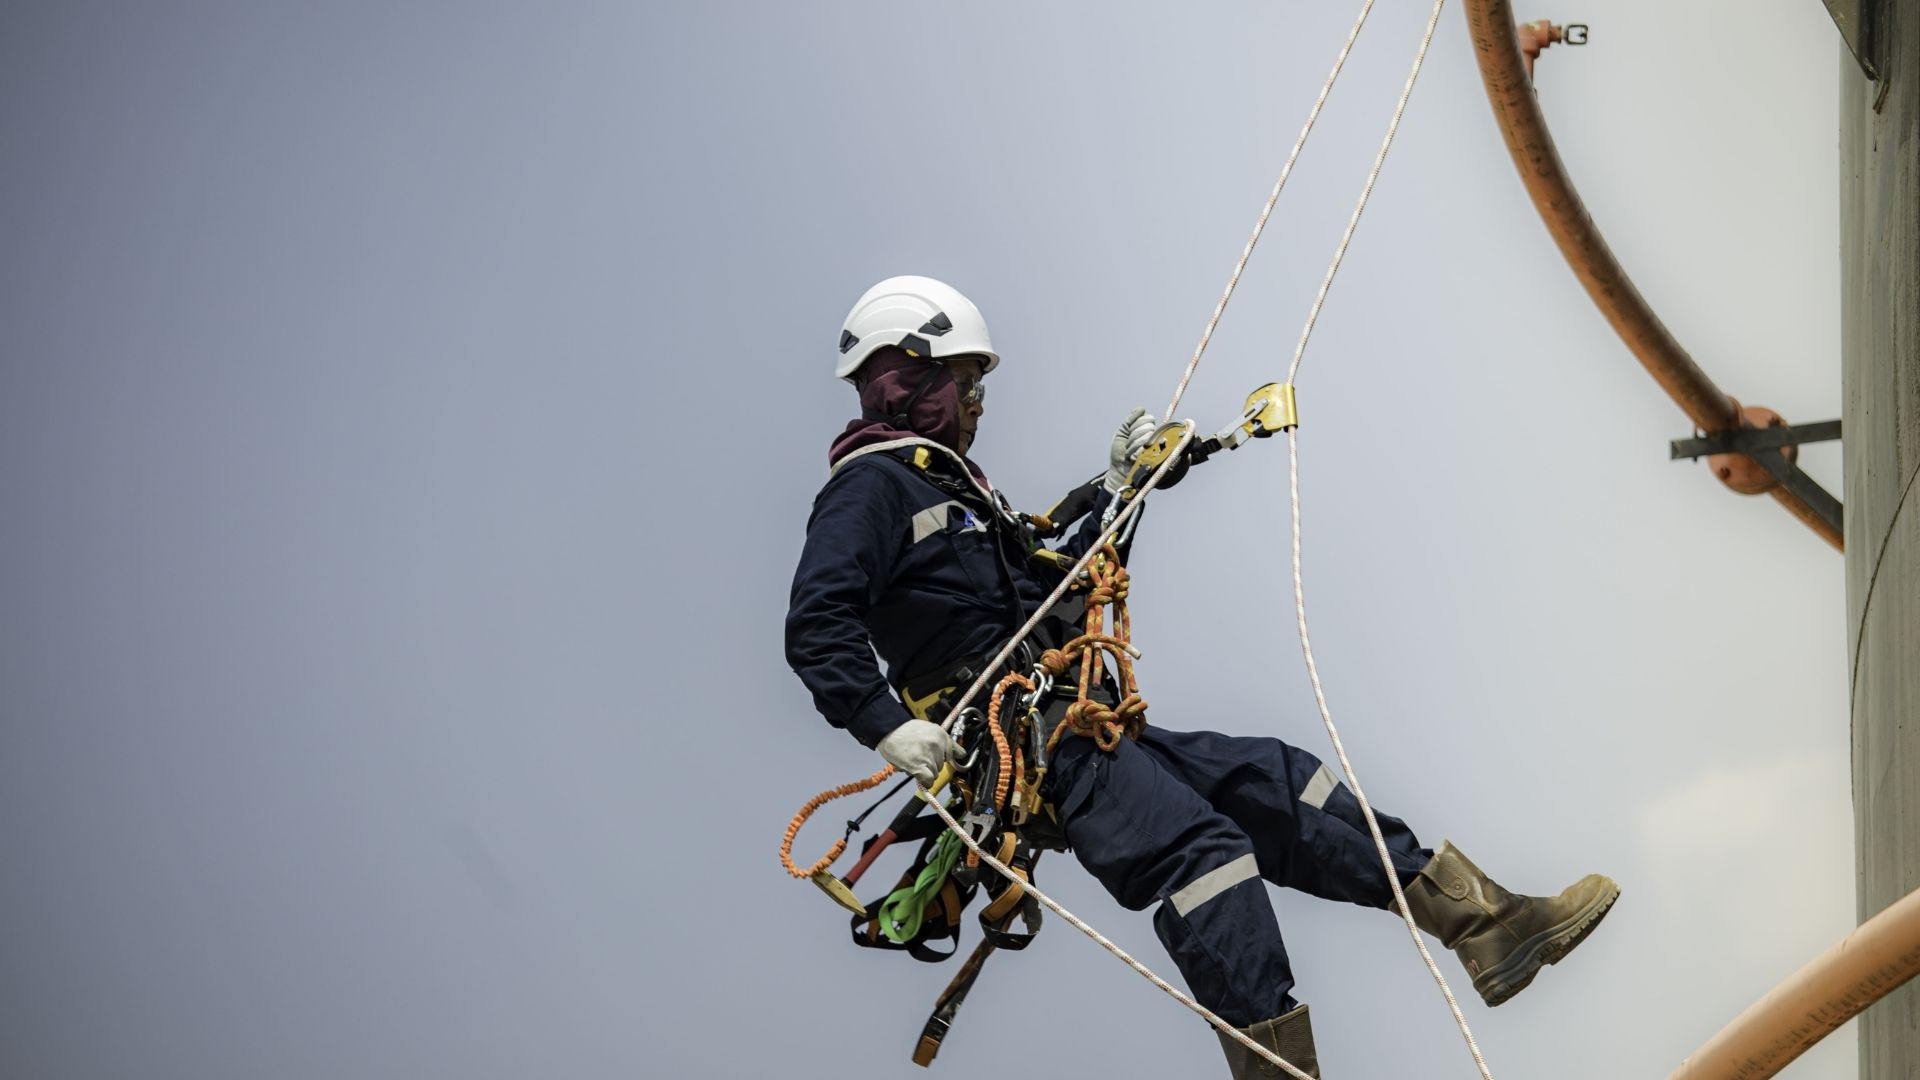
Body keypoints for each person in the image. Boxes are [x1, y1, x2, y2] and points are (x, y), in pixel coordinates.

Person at [785, 275, 1619, 1078]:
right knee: (1202, 858)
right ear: (912, 372)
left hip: (1079, 722)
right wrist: (887, 724)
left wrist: (1121, 489)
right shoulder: (871, 487)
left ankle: (1488, 924)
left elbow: (1053, 592)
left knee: (1277, 782)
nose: (976, 403)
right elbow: (817, 623)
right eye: (967, 381)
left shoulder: (955, 493)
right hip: (1031, 744)